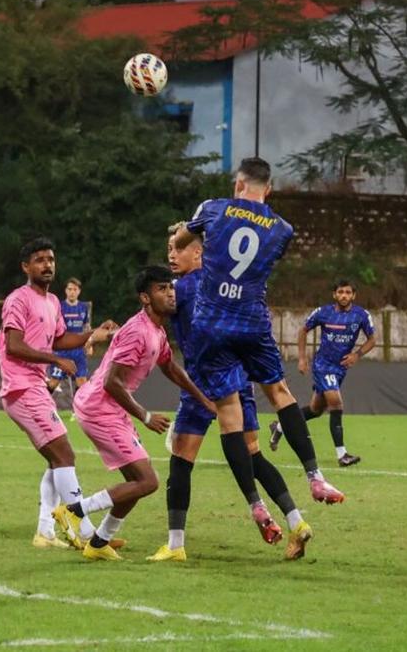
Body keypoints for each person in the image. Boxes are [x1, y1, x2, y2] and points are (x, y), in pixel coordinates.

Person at [174, 158, 342, 559]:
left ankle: (256, 507)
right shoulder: (283, 229)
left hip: (211, 325)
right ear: (268, 189)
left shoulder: (211, 208)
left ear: (238, 184)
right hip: (251, 321)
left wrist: (190, 235)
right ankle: (315, 477)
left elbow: (183, 240)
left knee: (229, 414)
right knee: (280, 393)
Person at [152, 223, 307, 563]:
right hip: (238, 381)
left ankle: (176, 544)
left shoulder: (180, 290)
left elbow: (152, 308)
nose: (171, 255)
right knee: (252, 454)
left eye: (178, 248)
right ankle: (295, 520)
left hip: (200, 384)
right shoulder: (223, 286)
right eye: (169, 249)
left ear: (198, 252)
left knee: (181, 460)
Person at [63, 266, 212, 562]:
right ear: (145, 297)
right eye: (162, 289)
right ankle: (73, 511)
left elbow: (170, 367)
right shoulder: (137, 331)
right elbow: (112, 382)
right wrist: (145, 416)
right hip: (99, 408)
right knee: (148, 481)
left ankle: (99, 542)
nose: (170, 293)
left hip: (109, 408)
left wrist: (203, 399)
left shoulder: (156, 329)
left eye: (170, 288)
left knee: (135, 483)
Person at [0, 237, 117, 551]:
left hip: (34, 387)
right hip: (21, 388)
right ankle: (86, 532)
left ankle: (45, 532)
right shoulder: (18, 300)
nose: (47, 265)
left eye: (51, 259)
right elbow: (14, 345)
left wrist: (94, 334)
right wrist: (54, 361)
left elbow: (61, 339)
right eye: (39, 260)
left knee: (56, 460)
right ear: (26, 267)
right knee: (65, 455)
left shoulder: (52, 304)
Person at [272, 279, 376, 467]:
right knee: (336, 403)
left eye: (348, 292)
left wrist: (357, 354)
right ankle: (342, 454)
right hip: (323, 365)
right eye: (340, 292)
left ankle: (279, 427)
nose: (344, 295)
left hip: (340, 368)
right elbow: (303, 330)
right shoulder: (323, 312)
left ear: (354, 295)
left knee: (315, 410)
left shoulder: (361, 315)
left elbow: (372, 339)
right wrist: (302, 358)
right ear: (334, 294)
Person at [46, 278, 94, 400]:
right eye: (70, 289)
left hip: (78, 350)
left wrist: (90, 343)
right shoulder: (59, 306)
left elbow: (87, 327)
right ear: (66, 291)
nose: (72, 292)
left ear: (79, 291)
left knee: (82, 381)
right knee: (54, 382)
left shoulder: (83, 307)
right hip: (62, 350)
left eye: (75, 289)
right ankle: (40, 405)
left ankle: (78, 410)